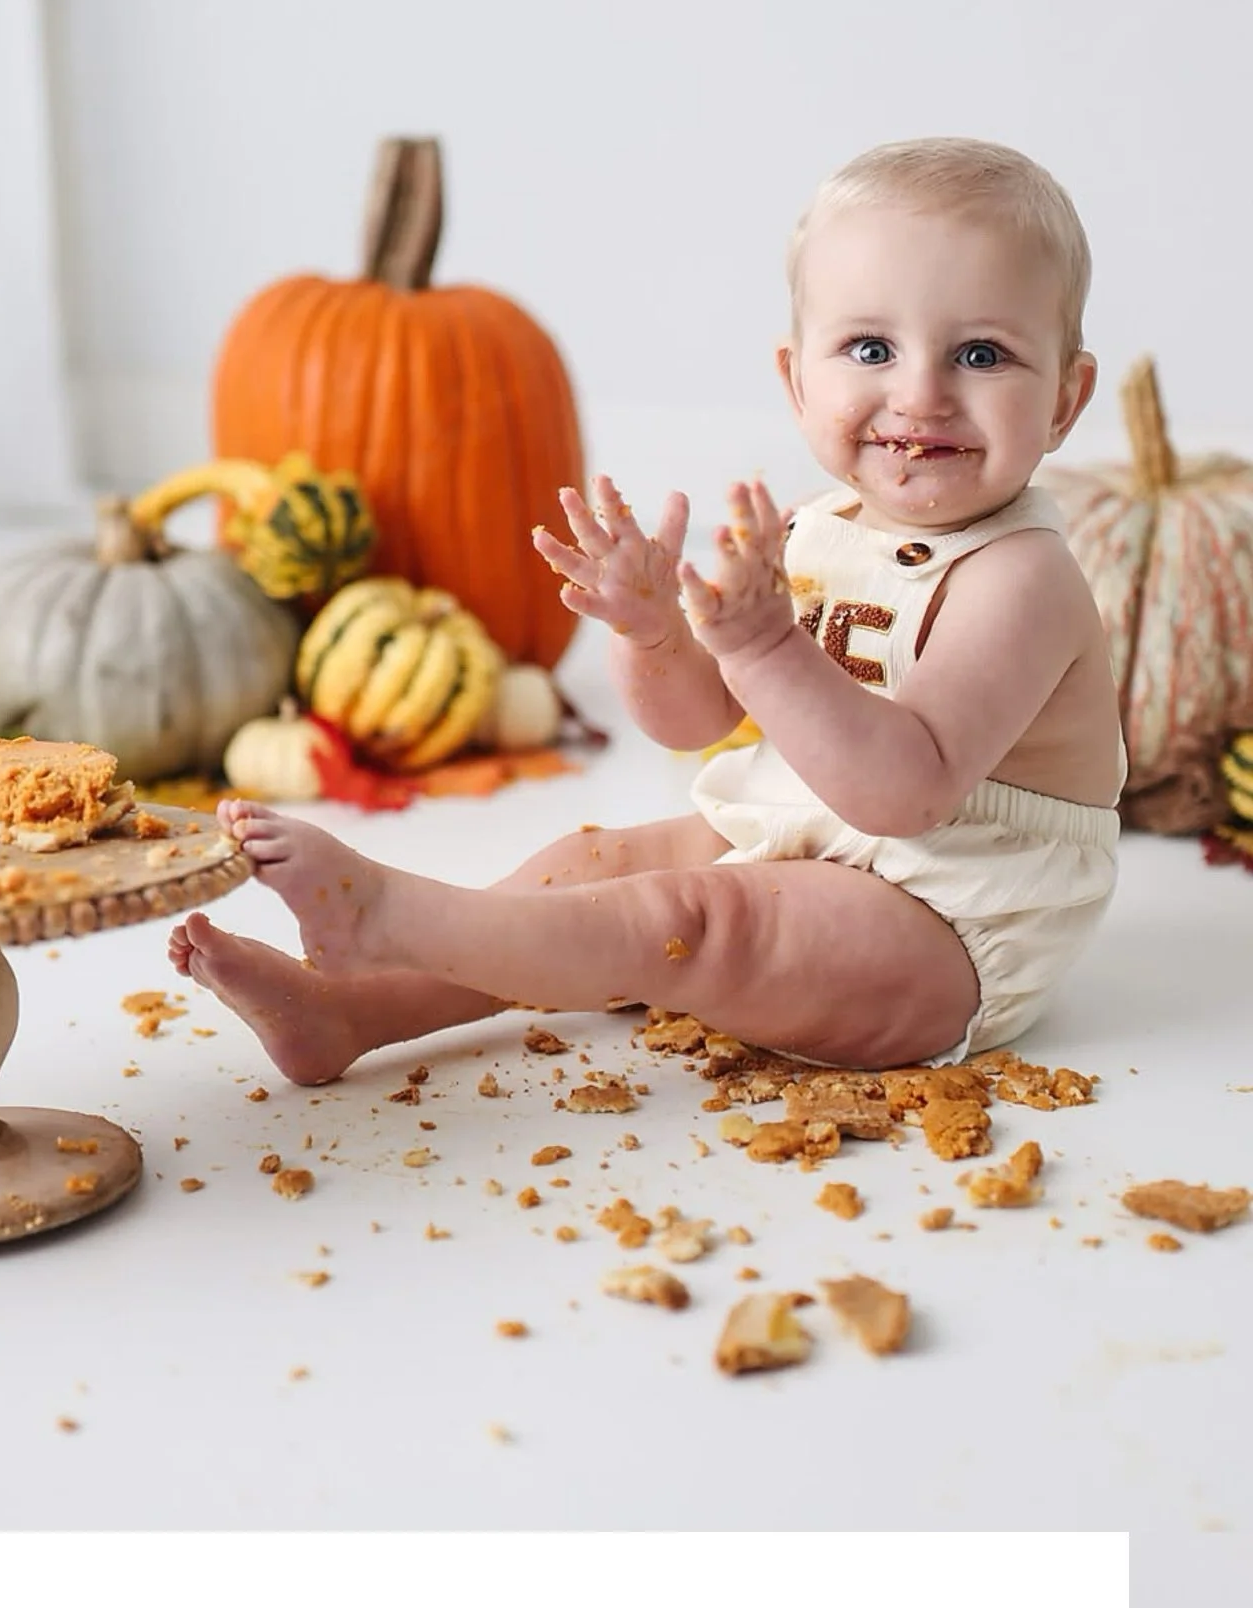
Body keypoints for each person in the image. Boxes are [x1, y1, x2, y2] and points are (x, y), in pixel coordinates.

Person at [168, 135, 1126, 1085]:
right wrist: (655, 633)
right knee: (593, 865)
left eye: (981, 354)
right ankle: (353, 1011)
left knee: (693, 920)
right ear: (798, 382)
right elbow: (694, 721)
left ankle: (390, 918)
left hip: (951, 925)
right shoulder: (814, 529)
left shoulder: (1021, 579)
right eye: (871, 348)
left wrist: (763, 644)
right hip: (802, 840)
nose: (920, 394)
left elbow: (901, 797)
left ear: (1064, 401)